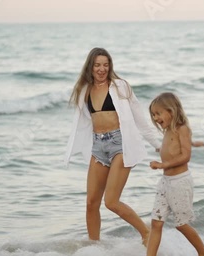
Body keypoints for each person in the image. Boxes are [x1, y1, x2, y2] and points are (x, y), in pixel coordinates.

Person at [64, 48, 162, 244]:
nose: (102, 69)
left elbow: (139, 119)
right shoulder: (84, 91)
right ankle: (95, 248)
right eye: (97, 65)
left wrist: (159, 146)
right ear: (90, 67)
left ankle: (146, 233)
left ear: (110, 67)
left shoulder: (120, 87)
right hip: (98, 146)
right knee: (91, 203)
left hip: (120, 144)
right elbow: (83, 124)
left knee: (111, 201)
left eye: (105, 65)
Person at [134, 92, 204, 256]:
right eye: (153, 115)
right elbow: (173, 147)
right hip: (165, 182)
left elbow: (186, 156)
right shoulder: (169, 130)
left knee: (181, 224)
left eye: (158, 113)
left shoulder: (182, 128)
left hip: (179, 183)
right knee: (156, 223)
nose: (156, 118)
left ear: (171, 111)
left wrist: (163, 164)